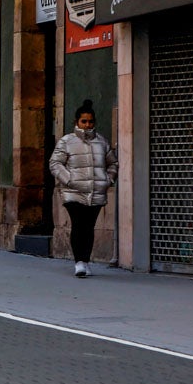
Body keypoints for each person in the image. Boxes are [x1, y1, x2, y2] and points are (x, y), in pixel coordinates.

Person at [49, 99, 118, 278]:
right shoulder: (67, 141)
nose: (87, 125)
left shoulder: (102, 142)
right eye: (84, 121)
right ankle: (79, 262)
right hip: (74, 192)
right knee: (78, 225)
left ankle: (85, 261)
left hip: (96, 192)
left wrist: (108, 180)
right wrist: (69, 180)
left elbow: (113, 163)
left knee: (89, 227)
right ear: (77, 122)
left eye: (90, 122)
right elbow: (55, 163)